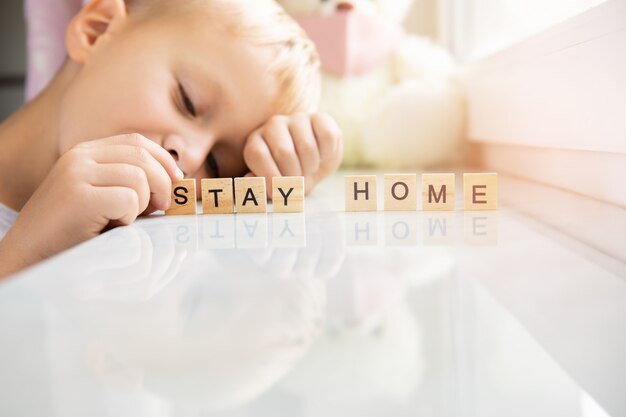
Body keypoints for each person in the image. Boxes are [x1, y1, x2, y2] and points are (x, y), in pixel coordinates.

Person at [0, 0, 343, 277]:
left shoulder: (135, 257)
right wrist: (27, 256)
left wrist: (283, 179)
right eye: (187, 102)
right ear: (97, 30)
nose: (191, 158)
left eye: (216, 165)